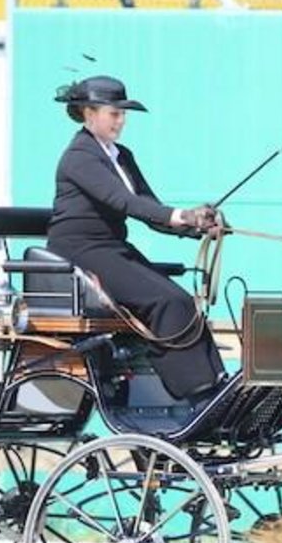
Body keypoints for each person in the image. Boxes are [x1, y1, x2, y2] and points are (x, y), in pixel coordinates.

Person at [47, 75, 227, 402]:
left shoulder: (122, 156)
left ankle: (216, 381)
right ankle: (195, 392)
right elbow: (124, 202)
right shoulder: (79, 156)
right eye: (114, 112)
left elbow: (149, 207)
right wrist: (181, 214)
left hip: (112, 248)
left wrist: (196, 225)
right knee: (166, 302)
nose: (121, 120)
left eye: (123, 113)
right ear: (89, 113)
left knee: (184, 301)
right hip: (80, 252)